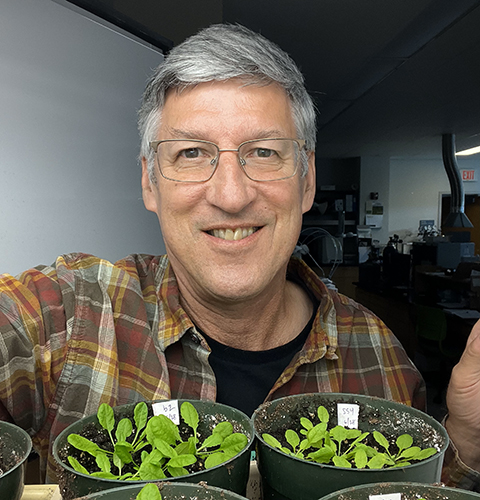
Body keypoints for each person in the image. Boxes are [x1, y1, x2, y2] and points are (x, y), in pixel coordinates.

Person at [0, 23, 479, 489]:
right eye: (190, 152)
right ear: (151, 182)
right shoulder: (72, 315)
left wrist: (469, 443)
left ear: (307, 179)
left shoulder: (381, 359)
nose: (231, 195)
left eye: (265, 152)